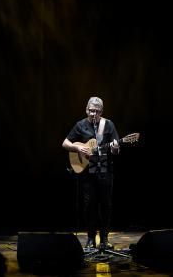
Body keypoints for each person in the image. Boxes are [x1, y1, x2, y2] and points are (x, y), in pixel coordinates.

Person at [62, 96, 120, 249]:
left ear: (101, 111)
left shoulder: (108, 125)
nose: (93, 114)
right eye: (91, 110)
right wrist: (77, 148)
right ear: (86, 109)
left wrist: (115, 148)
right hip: (87, 173)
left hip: (105, 171)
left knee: (106, 205)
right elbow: (65, 143)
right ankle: (90, 238)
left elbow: (115, 148)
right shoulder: (80, 125)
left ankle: (105, 239)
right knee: (89, 206)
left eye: (96, 111)